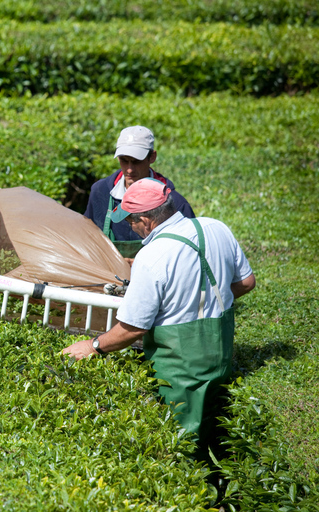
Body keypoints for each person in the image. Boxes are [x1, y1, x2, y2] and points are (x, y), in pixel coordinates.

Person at [62, 178, 256, 454]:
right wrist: (203, 302)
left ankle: (195, 495)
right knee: (218, 434)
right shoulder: (216, 227)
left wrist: (92, 346)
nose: (130, 227)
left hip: (180, 368)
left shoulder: (152, 256)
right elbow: (246, 282)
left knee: (181, 445)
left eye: (130, 221)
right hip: (220, 352)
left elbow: (132, 328)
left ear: (145, 220)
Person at [84, 126, 195, 261]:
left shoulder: (174, 203)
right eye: (124, 160)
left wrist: (141, 265)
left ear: (152, 157)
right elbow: (87, 239)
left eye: (136, 161)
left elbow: (188, 254)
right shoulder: (100, 192)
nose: (130, 170)